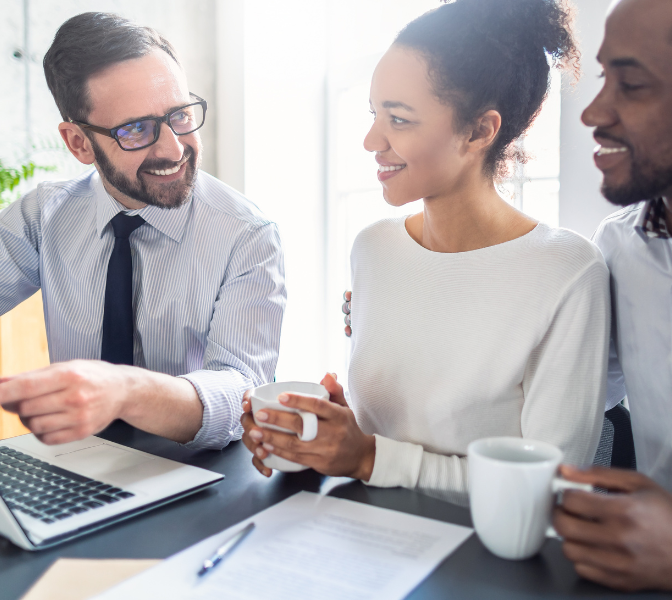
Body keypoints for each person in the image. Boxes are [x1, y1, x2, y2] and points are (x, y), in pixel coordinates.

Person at [241, 0, 609, 505]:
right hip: (359, 535)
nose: (372, 140)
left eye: (399, 119)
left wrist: (368, 457)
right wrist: (322, 434)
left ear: (481, 130)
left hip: (483, 565)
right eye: (375, 113)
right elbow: (385, 435)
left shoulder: (566, 272)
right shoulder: (375, 248)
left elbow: (552, 489)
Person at [0, 12, 286, 451]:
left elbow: (241, 391)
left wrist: (125, 390)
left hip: (207, 474)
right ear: (78, 143)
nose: (173, 148)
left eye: (180, 115)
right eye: (136, 130)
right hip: (83, 464)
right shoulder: (44, 216)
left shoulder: (247, 234)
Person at [551, 0, 672, 591]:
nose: (594, 112)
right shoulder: (621, 249)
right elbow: (576, 398)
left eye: (632, 84)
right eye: (603, 78)